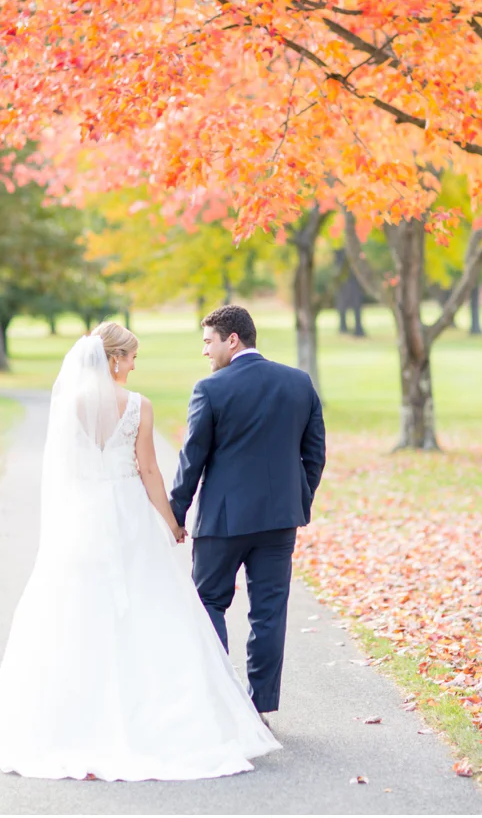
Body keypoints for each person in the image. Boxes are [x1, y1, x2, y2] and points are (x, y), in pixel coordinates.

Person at [0, 322, 279, 780]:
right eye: (133, 356)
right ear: (115, 358)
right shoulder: (137, 405)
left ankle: (68, 721)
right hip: (127, 515)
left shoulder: (70, 404)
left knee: (77, 611)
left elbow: (64, 468)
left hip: (81, 518)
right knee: (150, 608)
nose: (136, 364)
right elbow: (150, 472)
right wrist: (172, 521)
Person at [170, 304, 327, 725]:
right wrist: (297, 501)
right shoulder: (298, 383)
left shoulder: (212, 389)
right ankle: (260, 709)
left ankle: (219, 703)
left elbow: (192, 459)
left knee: (207, 604)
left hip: (222, 523)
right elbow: (314, 454)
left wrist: (175, 514)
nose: (205, 352)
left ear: (231, 339)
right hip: (279, 521)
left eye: (208, 342)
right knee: (269, 612)